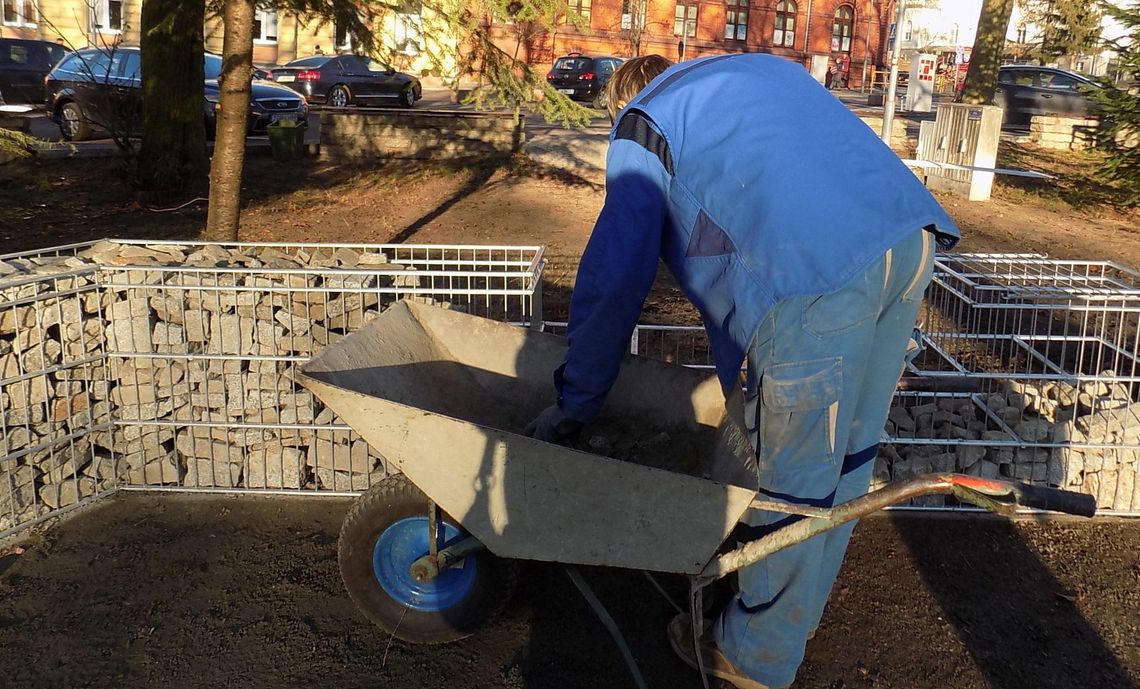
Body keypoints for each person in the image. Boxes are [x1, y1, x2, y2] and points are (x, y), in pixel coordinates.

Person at [525, 53, 959, 689]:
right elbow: (743, 252)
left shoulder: (645, 124)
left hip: (814, 273)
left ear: (625, 97)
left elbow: (613, 279)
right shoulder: (756, 75)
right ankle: (789, 621)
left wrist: (575, 403)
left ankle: (752, 657)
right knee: (845, 459)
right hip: (904, 239)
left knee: (796, 477)